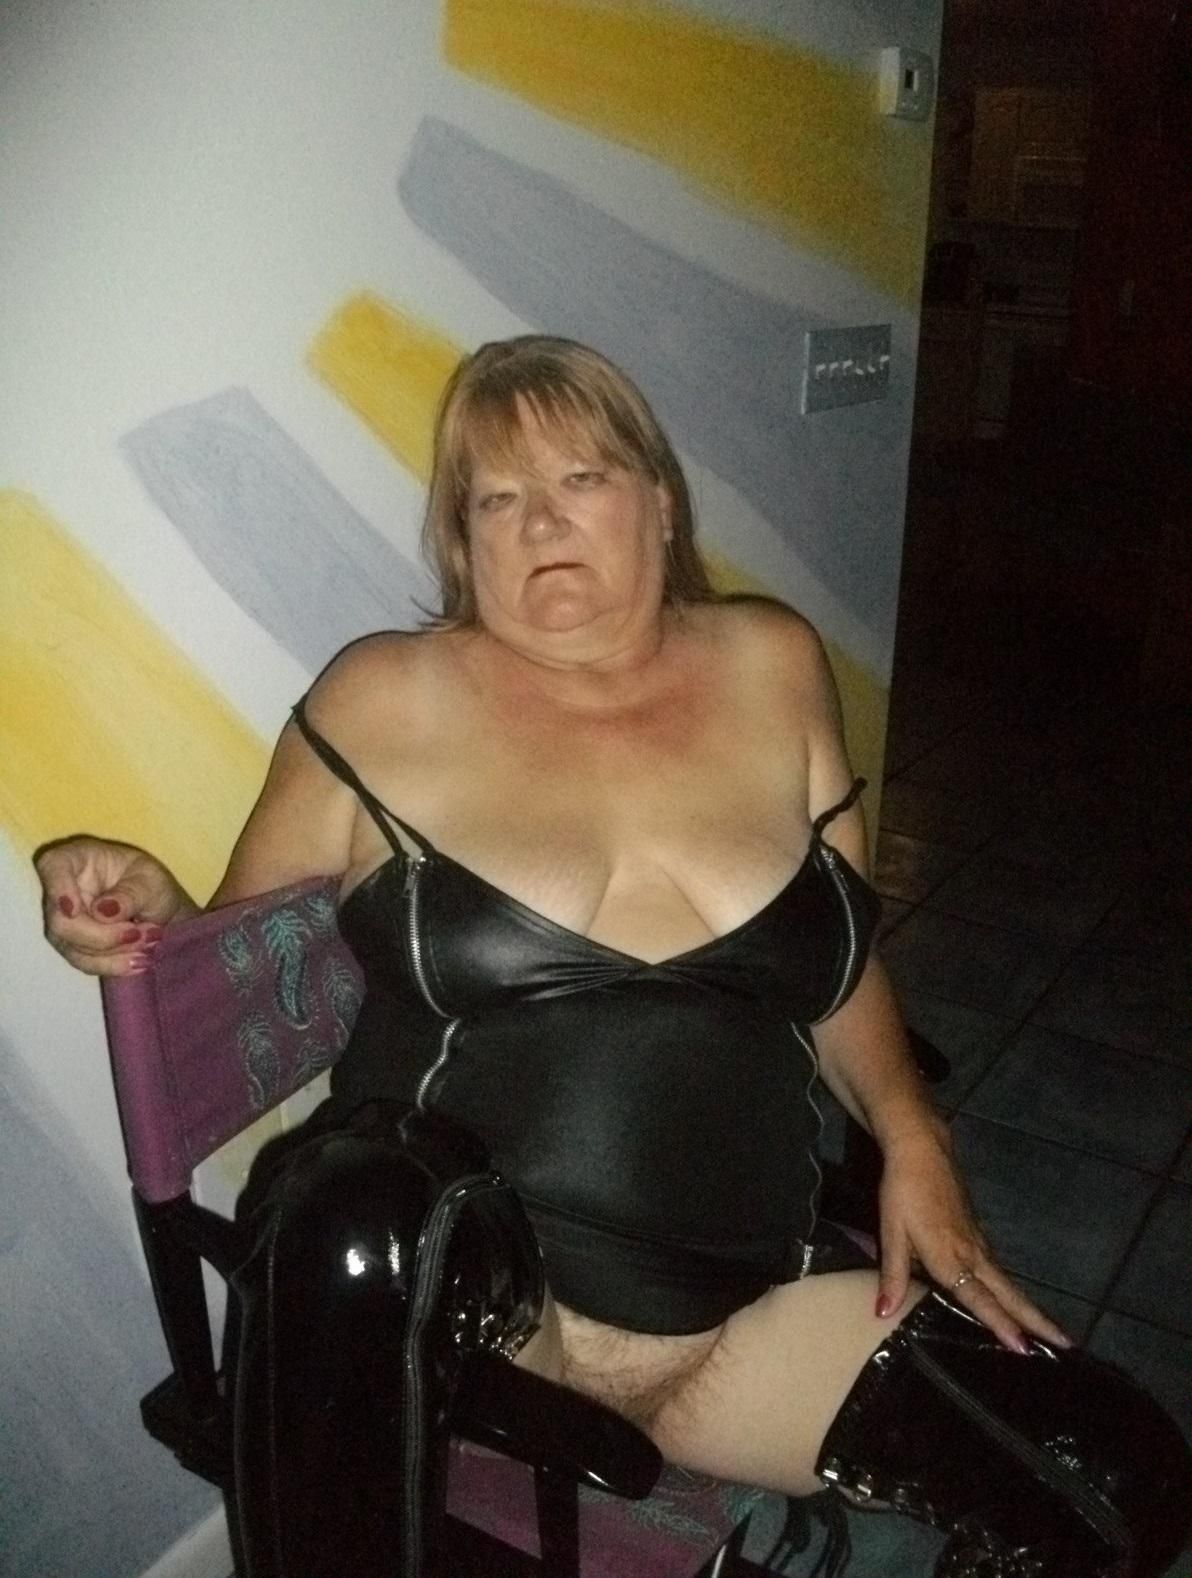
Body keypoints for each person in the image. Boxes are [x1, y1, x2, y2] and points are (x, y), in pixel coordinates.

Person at [38, 337, 1190, 1578]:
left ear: (660, 501)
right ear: (462, 542)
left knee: (1117, 1483)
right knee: (349, 1205)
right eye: (496, 499)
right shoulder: (381, 696)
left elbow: (835, 963)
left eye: (579, 477)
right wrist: (144, 911)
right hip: (476, 1321)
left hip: (739, 1321)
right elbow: (237, 962)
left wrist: (914, 1134)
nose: (540, 521)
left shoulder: (774, 664)